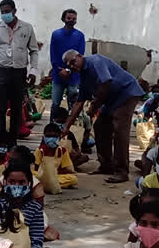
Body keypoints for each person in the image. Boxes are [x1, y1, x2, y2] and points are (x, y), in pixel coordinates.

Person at [62, 50, 145, 184]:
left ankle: (121, 171)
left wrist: (95, 105)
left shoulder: (96, 61)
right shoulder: (83, 77)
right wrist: (66, 127)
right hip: (111, 99)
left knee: (120, 130)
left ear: (79, 56)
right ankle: (107, 165)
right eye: (69, 65)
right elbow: (79, 102)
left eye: (73, 62)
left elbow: (106, 82)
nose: (72, 66)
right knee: (100, 126)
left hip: (127, 92)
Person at [0, 0, 39, 143]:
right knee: (0, 107)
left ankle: (12, 140)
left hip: (19, 72)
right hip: (1, 71)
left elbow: (33, 51)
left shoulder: (27, 28)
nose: (4, 15)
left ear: (14, 11)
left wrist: (33, 71)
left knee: (16, 108)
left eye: (7, 12)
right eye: (2, 12)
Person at [0, 161, 66, 248]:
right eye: (12, 182)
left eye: (21, 182)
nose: (16, 186)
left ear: (29, 184)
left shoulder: (34, 207)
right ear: (5, 183)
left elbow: (36, 235)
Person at [49, 9, 86, 113]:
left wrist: (69, 70)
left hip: (74, 75)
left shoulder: (80, 36)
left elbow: (80, 56)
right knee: (55, 103)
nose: (71, 20)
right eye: (69, 18)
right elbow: (53, 55)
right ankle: (53, 126)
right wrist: (59, 70)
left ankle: (72, 127)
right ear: (63, 19)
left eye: (74, 19)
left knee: (73, 104)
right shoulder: (56, 35)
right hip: (58, 74)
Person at [33, 124, 78, 190]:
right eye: (48, 136)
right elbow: (36, 168)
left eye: (54, 136)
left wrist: (53, 172)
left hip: (56, 175)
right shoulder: (40, 150)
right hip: (43, 176)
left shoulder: (63, 151)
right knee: (33, 175)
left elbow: (68, 170)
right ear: (44, 137)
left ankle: (46, 184)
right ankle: (51, 183)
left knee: (73, 179)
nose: (51, 139)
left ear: (59, 137)